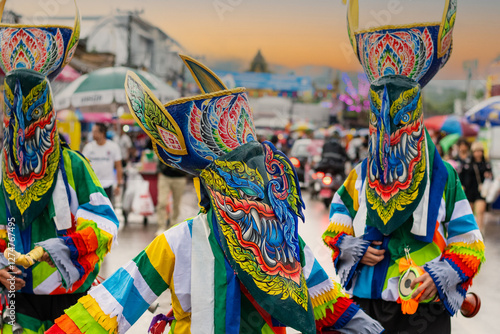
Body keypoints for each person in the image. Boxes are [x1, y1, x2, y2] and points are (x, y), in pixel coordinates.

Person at [46, 56, 383, 334]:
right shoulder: (179, 243)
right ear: (212, 186)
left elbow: (335, 311)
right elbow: (110, 307)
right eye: (240, 178)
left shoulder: (285, 243)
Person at [323, 1, 484, 333]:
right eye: (380, 124)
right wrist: (352, 247)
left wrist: (442, 274)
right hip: (366, 302)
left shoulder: (445, 177)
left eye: (400, 121)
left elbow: (468, 240)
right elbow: (337, 218)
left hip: (425, 307)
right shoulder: (358, 176)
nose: (390, 133)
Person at [0, 4, 119, 332]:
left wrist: (58, 249)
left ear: (49, 114)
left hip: (71, 297)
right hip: (14, 300)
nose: (24, 127)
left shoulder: (74, 165)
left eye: (34, 112)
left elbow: (105, 225)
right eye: (15, 113)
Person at [82, 123, 124, 203]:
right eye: (92, 132)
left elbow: (119, 167)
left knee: (107, 212)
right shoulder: (88, 147)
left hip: (107, 185)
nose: (93, 134)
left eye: (95, 132)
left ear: (102, 133)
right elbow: (83, 166)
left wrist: (118, 185)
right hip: (92, 186)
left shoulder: (113, 147)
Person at [460, 141, 492, 232]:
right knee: (468, 213)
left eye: (480, 151)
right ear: (472, 152)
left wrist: (488, 175)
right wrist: (462, 186)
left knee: (480, 212)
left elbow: (491, 177)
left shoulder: (486, 164)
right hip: (469, 191)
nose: (478, 153)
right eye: (476, 151)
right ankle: (469, 232)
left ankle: (479, 232)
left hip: (481, 192)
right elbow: (461, 176)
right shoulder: (467, 163)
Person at [156, 162, 188, 235]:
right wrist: (159, 170)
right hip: (165, 176)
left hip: (180, 177)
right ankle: (161, 227)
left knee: (176, 204)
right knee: (162, 202)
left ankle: (173, 226)